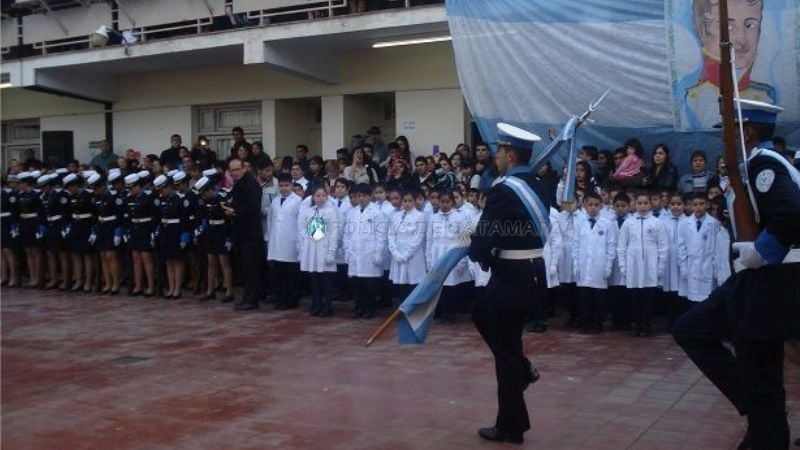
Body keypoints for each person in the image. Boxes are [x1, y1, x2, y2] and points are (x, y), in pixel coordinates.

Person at [673, 100, 800, 450]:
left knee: (751, 363)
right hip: (761, 279)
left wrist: (761, 252)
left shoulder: (762, 163)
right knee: (760, 368)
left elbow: (791, 214)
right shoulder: (756, 163)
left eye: (729, 131)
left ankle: (764, 427)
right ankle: (762, 425)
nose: (723, 139)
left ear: (747, 132)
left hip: (770, 280)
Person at [467, 123, 547, 444]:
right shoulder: (537, 183)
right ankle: (523, 370)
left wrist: (476, 252)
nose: (496, 157)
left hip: (512, 277)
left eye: (499, 151)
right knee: (482, 315)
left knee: (506, 354)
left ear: (510, 155)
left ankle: (511, 426)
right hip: (531, 273)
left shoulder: (504, 189)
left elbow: (485, 237)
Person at [617, 192, 668, 337]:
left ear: (650, 205)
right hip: (633, 265)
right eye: (640, 203)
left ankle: (646, 325)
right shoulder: (629, 223)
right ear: (635, 205)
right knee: (635, 297)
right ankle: (637, 324)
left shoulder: (657, 223)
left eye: (646, 203)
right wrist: (623, 266)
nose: (643, 206)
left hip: (650, 265)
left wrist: (660, 267)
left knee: (648, 297)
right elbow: (621, 246)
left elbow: (663, 246)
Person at [221, 158, 263, 310]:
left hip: (250, 233)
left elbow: (253, 207)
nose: (235, 172)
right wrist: (227, 205)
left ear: (244, 168)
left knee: (251, 268)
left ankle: (252, 300)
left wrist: (235, 211)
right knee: (244, 268)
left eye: (237, 169)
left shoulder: (251, 184)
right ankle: (247, 297)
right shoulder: (238, 184)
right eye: (232, 170)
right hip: (240, 232)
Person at [572, 192, 616, 334]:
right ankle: (586, 323)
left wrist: (608, 265)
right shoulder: (580, 223)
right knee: (585, 298)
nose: (593, 208)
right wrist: (576, 264)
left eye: (596, 205)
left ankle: (597, 324)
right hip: (584, 266)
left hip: (600, 266)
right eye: (590, 205)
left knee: (599, 298)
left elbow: (611, 246)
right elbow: (575, 245)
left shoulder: (607, 224)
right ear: (584, 205)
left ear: (601, 206)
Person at [426, 189, 472, 323]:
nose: (445, 205)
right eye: (442, 202)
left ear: (452, 202)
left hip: (452, 253)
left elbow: (465, 239)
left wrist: (461, 261)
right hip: (437, 253)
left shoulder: (460, 217)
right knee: (439, 286)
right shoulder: (433, 218)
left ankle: (451, 313)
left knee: (451, 286)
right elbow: (429, 239)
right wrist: (429, 259)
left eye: (448, 202)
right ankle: (441, 311)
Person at [677, 193, 730, 305]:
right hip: (690, 265)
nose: (698, 207)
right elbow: (681, 247)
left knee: (707, 300)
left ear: (707, 205)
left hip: (708, 266)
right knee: (691, 299)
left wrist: (716, 268)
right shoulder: (684, 223)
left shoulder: (714, 223)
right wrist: (683, 266)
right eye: (695, 204)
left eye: (701, 204)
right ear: (691, 206)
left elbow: (717, 249)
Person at [343, 183, 385, 319]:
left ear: (370, 196)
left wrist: (378, 252)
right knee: (357, 282)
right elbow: (347, 233)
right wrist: (347, 250)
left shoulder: (377, 213)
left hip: (369, 252)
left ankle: (370, 308)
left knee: (370, 283)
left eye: (363, 196)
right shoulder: (352, 212)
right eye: (358, 196)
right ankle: (359, 305)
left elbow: (381, 234)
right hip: (355, 252)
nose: (361, 199)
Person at [297, 186, 340, 317]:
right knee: (314, 278)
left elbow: (333, 232)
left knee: (325, 279)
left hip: (325, 247)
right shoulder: (309, 211)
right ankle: (317, 303)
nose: (320, 198)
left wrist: (331, 251)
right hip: (312, 248)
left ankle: (328, 305)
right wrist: (307, 240)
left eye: (323, 196)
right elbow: (302, 228)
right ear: (313, 197)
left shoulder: (330, 212)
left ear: (327, 197)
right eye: (317, 196)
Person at [194, 176, 235, 303]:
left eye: (204, 192)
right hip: (211, 231)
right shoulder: (207, 200)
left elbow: (230, 219)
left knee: (224, 263)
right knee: (211, 262)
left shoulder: (222, 198)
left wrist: (230, 237)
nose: (203, 196)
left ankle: (229, 291)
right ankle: (210, 291)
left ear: (209, 190)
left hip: (222, 231)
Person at [268, 173, 302, 310]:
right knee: (279, 273)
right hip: (276, 241)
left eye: (286, 185)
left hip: (291, 241)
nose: (284, 188)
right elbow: (271, 221)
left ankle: (291, 299)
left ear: (292, 186)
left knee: (291, 274)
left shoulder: (298, 201)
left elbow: (301, 222)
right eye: (281, 186)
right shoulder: (275, 201)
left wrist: (300, 241)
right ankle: (281, 298)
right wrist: (268, 238)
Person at [153, 175, 189, 300]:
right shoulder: (162, 200)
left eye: (162, 190)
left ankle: (177, 289)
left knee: (177, 261)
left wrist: (184, 236)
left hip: (176, 231)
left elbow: (184, 219)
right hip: (165, 231)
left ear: (168, 187)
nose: (161, 193)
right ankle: (171, 287)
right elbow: (159, 217)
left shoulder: (179, 199)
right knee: (168, 261)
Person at [387, 190, 426, 302]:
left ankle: (411, 308)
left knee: (411, 282)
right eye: (405, 201)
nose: (407, 203)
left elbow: (418, 238)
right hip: (398, 254)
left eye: (410, 201)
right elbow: (391, 235)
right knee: (400, 283)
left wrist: (406, 255)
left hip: (412, 255)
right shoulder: (396, 216)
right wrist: (395, 253)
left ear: (414, 202)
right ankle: (401, 307)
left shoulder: (420, 216)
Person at [90, 172, 124, 295]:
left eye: (96, 188)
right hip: (101, 228)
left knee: (111, 256)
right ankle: (108, 283)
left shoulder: (113, 197)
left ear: (102, 186)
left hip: (111, 227)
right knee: (103, 257)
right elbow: (95, 216)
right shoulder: (96, 198)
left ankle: (115, 283)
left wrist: (118, 232)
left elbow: (120, 216)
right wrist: (94, 231)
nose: (95, 191)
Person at [660, 193, 689, 326]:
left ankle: (682, 321)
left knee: (683, 291)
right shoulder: (663, 222)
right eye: (673, 204)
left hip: (684, 260)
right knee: (669, 290)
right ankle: (671, 321)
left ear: (684, 205)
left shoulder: (689, 222)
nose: (676, 207)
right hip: (667, 261)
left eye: (679, 204)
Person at [65, 172, 96, 292]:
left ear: (76, 185)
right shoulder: (70, 197)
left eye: (70, 186)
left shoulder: (87, 195)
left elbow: (94, 212)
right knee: (75, 255)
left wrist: (93, 230)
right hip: (75, 225)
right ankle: (78, 280)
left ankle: (88, 281)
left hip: (86, 225)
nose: (69, 189)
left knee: (87, 256)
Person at [16, 172, 45, 288]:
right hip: (24, 223)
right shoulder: (20, 195)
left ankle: (38, 278)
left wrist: (40, 226)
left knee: (35, 252)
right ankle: (32, 277)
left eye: (21, 183)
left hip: (33, 223)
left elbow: (41, 211)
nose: (19, 185)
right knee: (28, 251)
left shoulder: (34, 195)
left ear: (26, 183)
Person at [607, 193, 631, 330]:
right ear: (613, 207)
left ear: (629, 206)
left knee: (626, 293)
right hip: (613, 260)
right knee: (614, 292)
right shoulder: (608, 222)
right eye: (617, 206)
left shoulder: (633, 221)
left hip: (628, 259)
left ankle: (627, 320)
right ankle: (615, 320)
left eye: (623, 206)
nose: (620, 208)